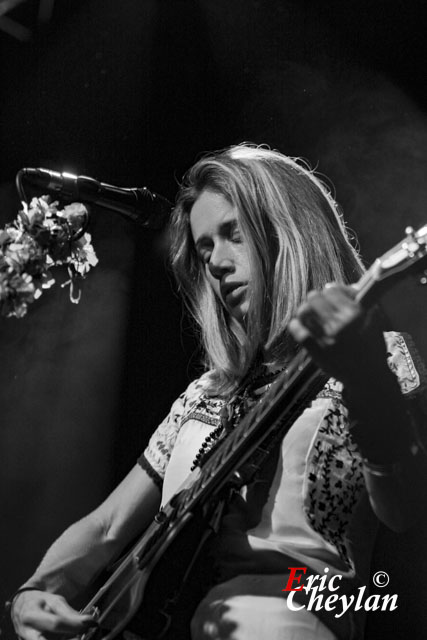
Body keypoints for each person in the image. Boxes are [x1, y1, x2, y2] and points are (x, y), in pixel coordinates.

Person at [9, 144, 427, 640]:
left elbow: (404, 509)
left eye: (233, 234)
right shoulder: (204, 392)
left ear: (288, 231)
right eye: (205, 250)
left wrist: (365, 378)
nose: (218, 264)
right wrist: (32, 592)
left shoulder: (380, 355)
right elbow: (106, 527)